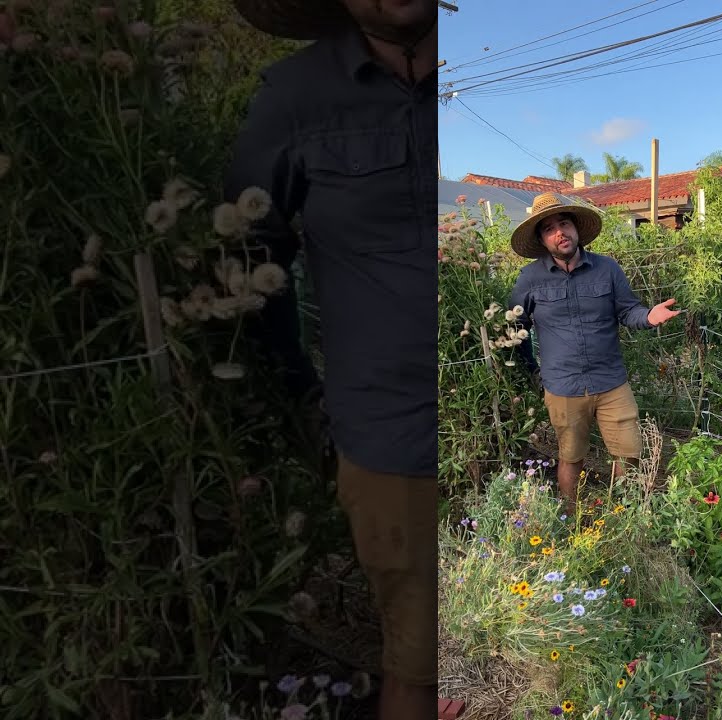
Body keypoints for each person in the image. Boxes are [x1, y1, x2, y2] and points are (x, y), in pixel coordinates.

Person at [223, 1, 440, 718]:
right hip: (389, 441)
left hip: (491, 426)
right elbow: (250, 262)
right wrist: (302, 396)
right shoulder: (294, 97)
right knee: (419, 663)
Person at [509, 192, 682, 517]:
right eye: (549, 229)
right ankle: (570, 518)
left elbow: (628, 310)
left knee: (629, 453)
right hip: (562, 387)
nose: (559, 232)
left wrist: (647, 317)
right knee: (571, 456)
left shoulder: (607, 269)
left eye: (564, 223)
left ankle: (621, 517)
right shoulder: (529, 279)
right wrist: (533, 371)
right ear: (542, 239)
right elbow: (516, 327)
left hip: (611, 383)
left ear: (576, 227)